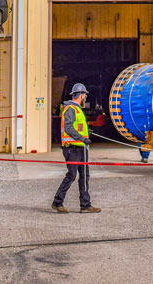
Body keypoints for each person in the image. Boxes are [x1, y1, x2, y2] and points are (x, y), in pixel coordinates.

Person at [52, 83, 101, 213]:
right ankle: (57, 202)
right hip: (72, 148)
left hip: (81, 148)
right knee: (71, 175)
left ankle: (85, 205)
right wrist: (82, 138)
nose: (85, 97)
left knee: (84, 176)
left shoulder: (77, 109)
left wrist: (86, 134)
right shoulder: (70, 109)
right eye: (85, 95)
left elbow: (77, 127)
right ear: (81, 96)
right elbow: (68, 128)